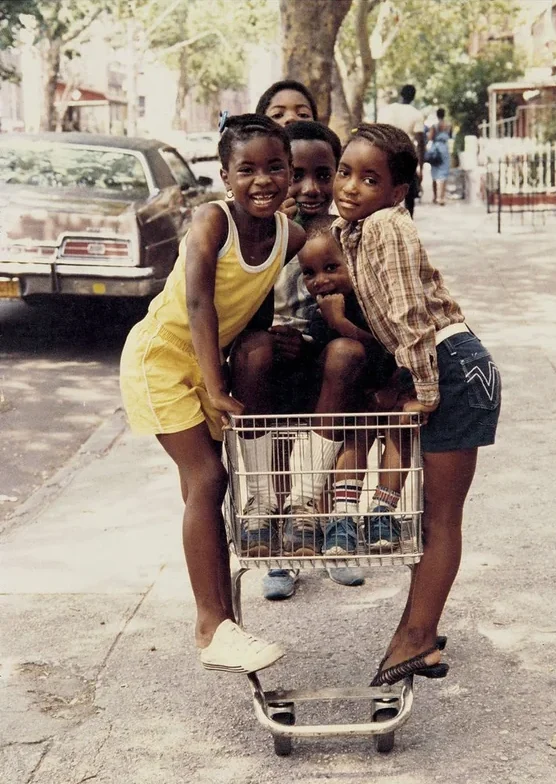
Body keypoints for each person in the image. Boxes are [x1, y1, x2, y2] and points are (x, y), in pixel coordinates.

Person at [119, 114, 306, 674]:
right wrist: (218, 385)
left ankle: (224, 622)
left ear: (291, 171)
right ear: (225, 176)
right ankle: (210, 625)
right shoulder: (210, 220)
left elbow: (255, 295)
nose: (263, 180)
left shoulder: (288, 235)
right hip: (161, 359)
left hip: (207, 364)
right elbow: (200, 301)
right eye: (246, 169)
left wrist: (262, 341)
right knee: (207, 478)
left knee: (213, 486)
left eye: (276, 167)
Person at [331, 123, 501, 686]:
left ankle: (416, 638)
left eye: (370, 179)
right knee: (434, 514)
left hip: (453, 366)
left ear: (399, 190)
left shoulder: (384, 225)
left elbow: (408, 315)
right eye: (345, 172)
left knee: (439, 515)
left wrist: (424, 389)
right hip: (445, 364)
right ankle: (417, 629)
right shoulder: (355, 228)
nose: (351, 187)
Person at [237, 82, 365, 596]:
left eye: (324, 175)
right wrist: (266, 333)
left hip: (334, 359)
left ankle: (315, 515)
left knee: (345, 355)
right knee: (256, 355)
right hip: (272, 362)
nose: (311, 188)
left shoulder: (352, 232)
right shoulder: (262, 228)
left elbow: (368, 311)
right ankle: (272, 526)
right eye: (299, 175)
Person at [299, 215, 418, 554]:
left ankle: (383, 509)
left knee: (399, 423)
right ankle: (345, 514)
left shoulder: (375, 301)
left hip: (394, 381)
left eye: (331, 267)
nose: (321, 280)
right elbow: (326, 364)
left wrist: (342, 323)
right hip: (355, 399)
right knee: (358, 427)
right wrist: (328, 324)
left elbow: (388, 346)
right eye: (309, 273)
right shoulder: (318, 312)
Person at [378, 84, 425, 217]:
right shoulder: (416, 114)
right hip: (406, 157)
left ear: (400, 94)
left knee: (385, 189)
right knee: (409, 193)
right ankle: (409, 221)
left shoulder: (385, 111)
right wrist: (420, 167)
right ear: (413, 97)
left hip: (385, 154)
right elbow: (420, 143)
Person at [427, 108, 452, 206]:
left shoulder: (434, 126)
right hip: (444, 149)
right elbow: (449, 136)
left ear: (437, 115)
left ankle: (435, 196)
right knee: (444, 173)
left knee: (434, 173)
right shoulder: (448, 125)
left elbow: (430, 138)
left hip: (435, 149)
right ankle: (441, 197)